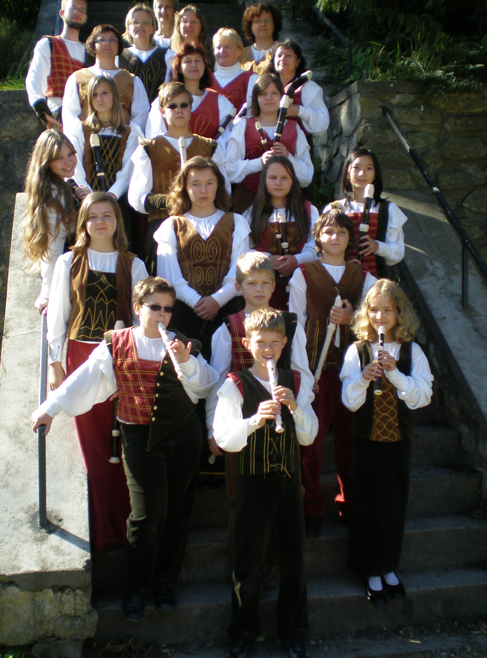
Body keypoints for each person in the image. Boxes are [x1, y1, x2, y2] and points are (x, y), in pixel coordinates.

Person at [32, 276, 218, 620]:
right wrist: (50, 408)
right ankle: (136, 588)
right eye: (155, 307)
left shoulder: (183, 343)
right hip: (139, 438)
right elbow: (85, 379)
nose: (162, 315)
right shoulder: (116, 343)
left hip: (183, 436)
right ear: (137, 308)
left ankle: (165, 582)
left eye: (167, 309)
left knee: (178, 512)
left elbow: (207, 385)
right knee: (147, 515)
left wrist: (187, 361)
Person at [213, 308, 317, 658]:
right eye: (261, 342)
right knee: (249, 561)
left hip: (288, 481)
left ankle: (294, 633)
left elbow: (308, 436)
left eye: (275, 342)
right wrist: (256, 420)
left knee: (294, 561)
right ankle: (243, 633)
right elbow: (225, 438)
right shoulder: (235, 384)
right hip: (252, 482)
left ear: (285, 342)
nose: (268, 349)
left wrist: (295, 408)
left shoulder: (296, 380)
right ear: (247, 344)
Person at [47, 192, 148, 552]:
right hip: (79, 355)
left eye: (107, 215)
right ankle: (101, 533)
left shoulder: (133, 264)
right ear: (84, 222)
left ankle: (124, 530)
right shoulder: (68, 262)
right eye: (93, 216)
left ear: (118, 221)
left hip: (120, 358)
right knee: (92, 447)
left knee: (118, 444)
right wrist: (55, 364)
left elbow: (141, 320)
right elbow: (58, 315)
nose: (100, 222)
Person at [207, 252, 313, 546]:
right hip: (242, 425)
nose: (259, 289)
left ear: (274, 286)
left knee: (285, 495)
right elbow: (217, 381)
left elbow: (302, 373)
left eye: (265, 283)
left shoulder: (290, 325)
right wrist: (211, 427)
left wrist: (302, 413)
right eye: (251, 283)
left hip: (284, 424)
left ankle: (278, 558)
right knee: (239, 497)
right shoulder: (228, 327)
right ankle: (244, 563)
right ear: (238, 287)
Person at [341, 279, 433, 603]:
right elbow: (349, 401)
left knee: (394, 503)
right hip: (366, 438)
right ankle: (370, 569)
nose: (380, 317)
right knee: (367, 503)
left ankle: (389, 566)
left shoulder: (412, 351)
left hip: (398, 438)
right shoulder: (358, 350)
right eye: (374, 310)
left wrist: (394, 374)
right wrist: (363, 378)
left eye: (387, 311)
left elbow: (422, 397)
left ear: (399, 313)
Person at [288, 209, 376, 537]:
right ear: (318, 238)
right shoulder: (303, 274)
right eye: (328, 232)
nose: (334, 237)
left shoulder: (363, 277)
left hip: (352, 372)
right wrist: (303, 374)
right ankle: (310, 506)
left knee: (350, 441)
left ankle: (350, 504)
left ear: (350, 238)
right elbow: (295, 325)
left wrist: (352, 319)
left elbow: (377, 324)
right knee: (310, 441)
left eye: (341, 232)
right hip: (315, 370)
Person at [154, 155, 250, 361]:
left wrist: (216, 301)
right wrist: (198, 302)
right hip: (183, 315)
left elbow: (240, 271)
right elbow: (169, 277)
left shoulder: (236, 222)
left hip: (227, 313)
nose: (203, 190)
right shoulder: (171, 226)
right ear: (185, 188)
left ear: (218, 186)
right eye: (195, 184)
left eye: (209, 183)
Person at [128, 82, 228, 271]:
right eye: (172, 106)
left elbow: (224, 191)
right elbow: (137, 198)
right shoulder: (148, 148)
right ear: (162, 111)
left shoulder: (210, 147)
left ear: (191, 108)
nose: (179, 110)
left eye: (184, 105)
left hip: (204, 228)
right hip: (161, 226)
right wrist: (174, 200)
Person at [70, 75, 142, 248]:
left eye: (104, 93)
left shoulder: (131, 131)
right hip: (85, 200)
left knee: (119, 248)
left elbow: (127, 172)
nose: (99, 98)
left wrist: (110, 198)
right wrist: (88, 195)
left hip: (117, 201)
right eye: (94, 94)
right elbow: (75, 165)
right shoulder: (80, 129)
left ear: (114, 96)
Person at [226, 74, 314, 214]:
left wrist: (288, 158)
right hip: (248, 202)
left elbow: (307, 176)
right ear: (256, 98)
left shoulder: (294, 128)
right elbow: (228, 170)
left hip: (287, 205)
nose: (269, 98)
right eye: (263, 94)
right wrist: (259, 162)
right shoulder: (243, 126)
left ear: (282, 97)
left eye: (274, 93)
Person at [22, 129, 84, 312]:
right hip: (70, 278)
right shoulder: (55, 195)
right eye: (59, 158)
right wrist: (48, 291)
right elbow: (52, 245)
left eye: (71, 154)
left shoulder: (59, 187)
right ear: (46, 162)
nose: (68, 162)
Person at [246, 156, 318, 310]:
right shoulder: (253, 212)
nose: (278, 182)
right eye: (273, 177)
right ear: (264, 180)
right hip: (263, 288)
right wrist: (266, 259)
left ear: (293, 181)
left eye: (284, 178)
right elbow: (243, 250)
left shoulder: (308, 210)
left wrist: (297, 260)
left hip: (302, 285)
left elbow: (316, 245)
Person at [325, 148, 407, 278]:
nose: (362, 173)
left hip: (377, 282)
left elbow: (398, 253)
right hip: (341, 279)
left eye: (369, 168)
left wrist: (377, 246)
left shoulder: (388, 209)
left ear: (375, 174)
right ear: (347, 173)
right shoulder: (334, 208)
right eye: (356, 168)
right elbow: (322, 249)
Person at [62, 23, 149, 144]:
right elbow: (70, 116)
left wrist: (128, 141)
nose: (107, 43)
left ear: (119, 46)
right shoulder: (77, 78)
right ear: (93, 46)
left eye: (112, 40)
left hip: (123, 144)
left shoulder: (132, 81)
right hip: (85, 143)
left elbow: (140, 117)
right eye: (102, 40)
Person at [146, 42, 233, 140]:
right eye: (187, 61)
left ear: (204, 66)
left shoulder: (219, 102)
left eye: (198, 60)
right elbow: (154, 139)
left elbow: (227, 141)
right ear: (179, 67)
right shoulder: (164, 100)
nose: (194, 65)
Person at [25, 0, 88, 127]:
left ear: (85, 17)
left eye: (82, 10)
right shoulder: (48, 44)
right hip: (58, 115)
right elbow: (34, 80)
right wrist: (43, 112)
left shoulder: (89, 52)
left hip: (85, 118)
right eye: (73, 8)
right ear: (62, 13)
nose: (77, 12)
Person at [270, 38, 329, 136]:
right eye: (279, 55)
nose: (283, 58)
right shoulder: (266, 87)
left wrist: (298, 110)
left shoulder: (307, 87)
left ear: (297, 62)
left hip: (298, 144)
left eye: (288, 55)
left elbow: (322, 124)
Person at [121, 3, 167, 103]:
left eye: (145, 22)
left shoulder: (168, 56)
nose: (140, 25)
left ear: (152, 27)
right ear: (128, 28)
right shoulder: (120, 57)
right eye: (135, 22)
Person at [209, 28, 257, 113]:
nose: (222, 51)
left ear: (239, 51)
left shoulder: (251, 79)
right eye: (218, 47)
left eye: (228, 47)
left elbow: (253, 114)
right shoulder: (206, 80)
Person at [165, 4, 212, 80]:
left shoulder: (210, 54)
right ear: (178, 26)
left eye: (194, 22)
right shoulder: (168, 53)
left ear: (201, 26)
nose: (189, 25)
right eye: (185, 21)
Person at [239, 1, 283, 73]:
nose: (263, 24)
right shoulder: (241, 54)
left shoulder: (282, 52)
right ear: (250, 25)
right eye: (257, 21)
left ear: (275, 24)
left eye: (267, 20)